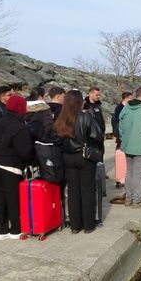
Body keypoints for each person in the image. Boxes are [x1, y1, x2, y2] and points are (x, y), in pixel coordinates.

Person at [55, 90, 103, 233]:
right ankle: (88, 225)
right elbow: (97, 135)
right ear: (79, 101)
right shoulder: (85, 117)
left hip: (67, 157)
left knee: (73, 191)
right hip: (84, 156)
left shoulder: (60, 119)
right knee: (87, 190)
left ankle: (75, 225)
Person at [0, 95, 34, 240]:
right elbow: (25, 151)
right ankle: (15, 230)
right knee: (13, 198)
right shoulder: (20, 126)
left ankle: (1, 230)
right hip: (10, 166)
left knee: (0, 197)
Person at [83, 86, 105, 155]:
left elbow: (101, 120)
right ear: (90, 94)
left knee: (100, 154)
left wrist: (103, 132)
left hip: (99, 135)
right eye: (96, 95)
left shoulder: (98, 105)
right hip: (90, 137)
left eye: (99, 95)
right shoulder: (84, 105)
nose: (98, 96)